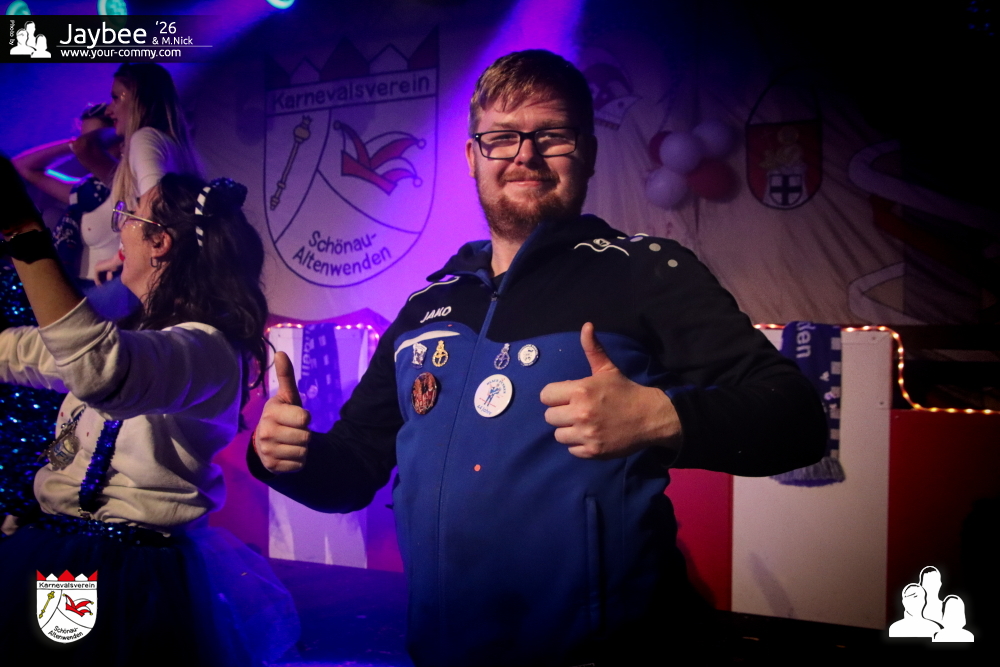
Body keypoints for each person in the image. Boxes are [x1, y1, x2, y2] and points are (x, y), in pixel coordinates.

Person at [251, 49, 826, 666]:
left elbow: (797, 420)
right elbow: (355, 468)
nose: (525, 154)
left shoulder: (646, 271)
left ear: (588, 152)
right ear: (473, 158)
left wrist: (663, 418)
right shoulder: (426, 307)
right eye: (501, 137)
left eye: (551, 135)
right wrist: (286, 458)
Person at [0, 160, 297, 665]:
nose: (119, 229)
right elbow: (39, 353)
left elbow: (98, 369)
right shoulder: (134, 335)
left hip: (129, 572)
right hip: (59, 553)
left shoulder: (207, 350)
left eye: (129, 215)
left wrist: (24, 234)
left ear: (159, 241)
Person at [13, 103, 130, 319]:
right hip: (79, 294)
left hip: (111, 301)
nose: (83, 147)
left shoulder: (126, 185)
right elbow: (22, 167)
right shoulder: (84, 191)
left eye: (94, 139)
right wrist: (72, 144)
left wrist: (94, 142)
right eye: (82, 138)